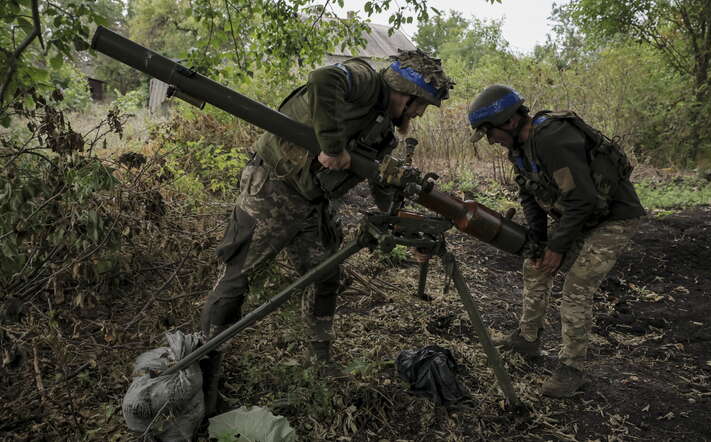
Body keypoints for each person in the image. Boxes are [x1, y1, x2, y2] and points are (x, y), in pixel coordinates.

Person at [199, 50, 454, 415]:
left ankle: (319, 358)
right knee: (238, 279)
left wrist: (404, 225)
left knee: (325, 276)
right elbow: (323, 78)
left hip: (313, 202)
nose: (418, 114)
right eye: (420, 105)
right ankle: (204, 374)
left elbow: (381, 184)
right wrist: (333, 147)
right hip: (274, 187)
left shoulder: (384, 131)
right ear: (404, 91)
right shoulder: (364, 80)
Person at [467, 85, 646, 398]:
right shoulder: (519, 149)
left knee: (576, 288)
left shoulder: (551, 139)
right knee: (534, 264)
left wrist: (557, 246)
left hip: (613, 218)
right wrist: (539, 241)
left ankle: (572, 368)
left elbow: (583, 198)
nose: (491, 140)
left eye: (490, 132)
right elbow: (529, 195)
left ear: (508, 122)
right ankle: (527, 337)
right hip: (582, 216)